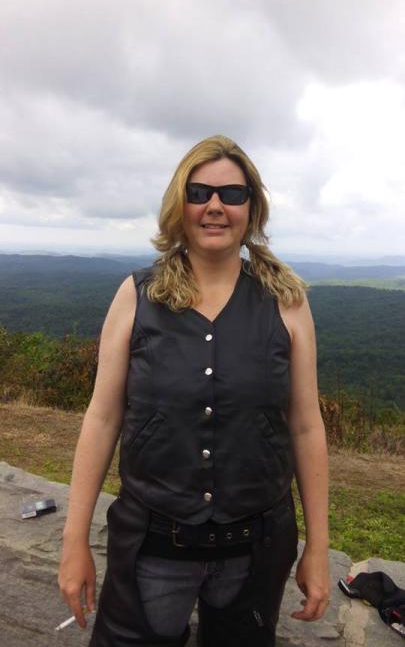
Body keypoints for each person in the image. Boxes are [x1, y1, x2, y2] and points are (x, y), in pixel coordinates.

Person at [58, 135, 330, 646]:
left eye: (231, 195)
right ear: (178, 203)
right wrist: (74, 539)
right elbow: (102, 418)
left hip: (255, 547)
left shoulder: (286, 304)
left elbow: (305, 424)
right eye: (199, 191)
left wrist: (318, 545)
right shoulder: (135, 296)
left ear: (251, 208)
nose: (214, 207)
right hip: (153, 543)